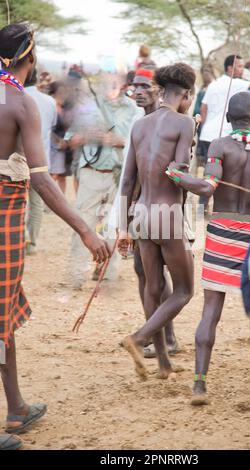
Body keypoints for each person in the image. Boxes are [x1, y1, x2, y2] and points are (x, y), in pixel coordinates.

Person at [0, 23, 110, 451]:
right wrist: (86, 230)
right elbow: (42, 181)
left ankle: (15, 407)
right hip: (3, 218)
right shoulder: (19, 103)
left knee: (3, 316)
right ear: (30, 57)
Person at [167, 92, 250, 405]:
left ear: (226, 119)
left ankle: (199, 386)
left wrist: (177, 175)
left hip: (221, 231)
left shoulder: (220, 146)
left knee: (211, 310)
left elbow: (208, 187)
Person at [119, 63, 196, 380]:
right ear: (187, 94)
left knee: (153, 287)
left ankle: (163, 364)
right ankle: (138, 339)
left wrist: (124, 227)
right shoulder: (185, 122)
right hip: (167, 215)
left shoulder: (140, 125)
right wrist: (204, 183)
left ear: (161, 90)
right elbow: (178, 174)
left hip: (140, 215)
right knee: (183, 290)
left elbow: (127, 181)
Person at [68, 70, 137, 288]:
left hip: (119, 176)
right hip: (91, 173)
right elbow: (70, 140)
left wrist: (119, 141)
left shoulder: (134, 110)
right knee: (83, 224)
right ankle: (76, 276)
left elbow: (139, 143)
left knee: (113, 225)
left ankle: (108, 274)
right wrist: (89, 137)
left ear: (125, 86)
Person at [24, 68, 57, 255]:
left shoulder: (11, 97)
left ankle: (17, 238)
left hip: (16, 161)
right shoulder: (49, 101)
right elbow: (52, 126)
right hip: (41, 161)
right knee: (36, 203)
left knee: (14, 200)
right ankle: (32, 243)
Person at [49, 81, 73, 194]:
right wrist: (57, 141)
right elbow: (47, 127)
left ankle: (61, 198)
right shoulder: (50, 105)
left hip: (64, 146)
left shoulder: (66, 107)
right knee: (52, 175)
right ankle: (50, 201)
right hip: (52, 145)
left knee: (62, 175)